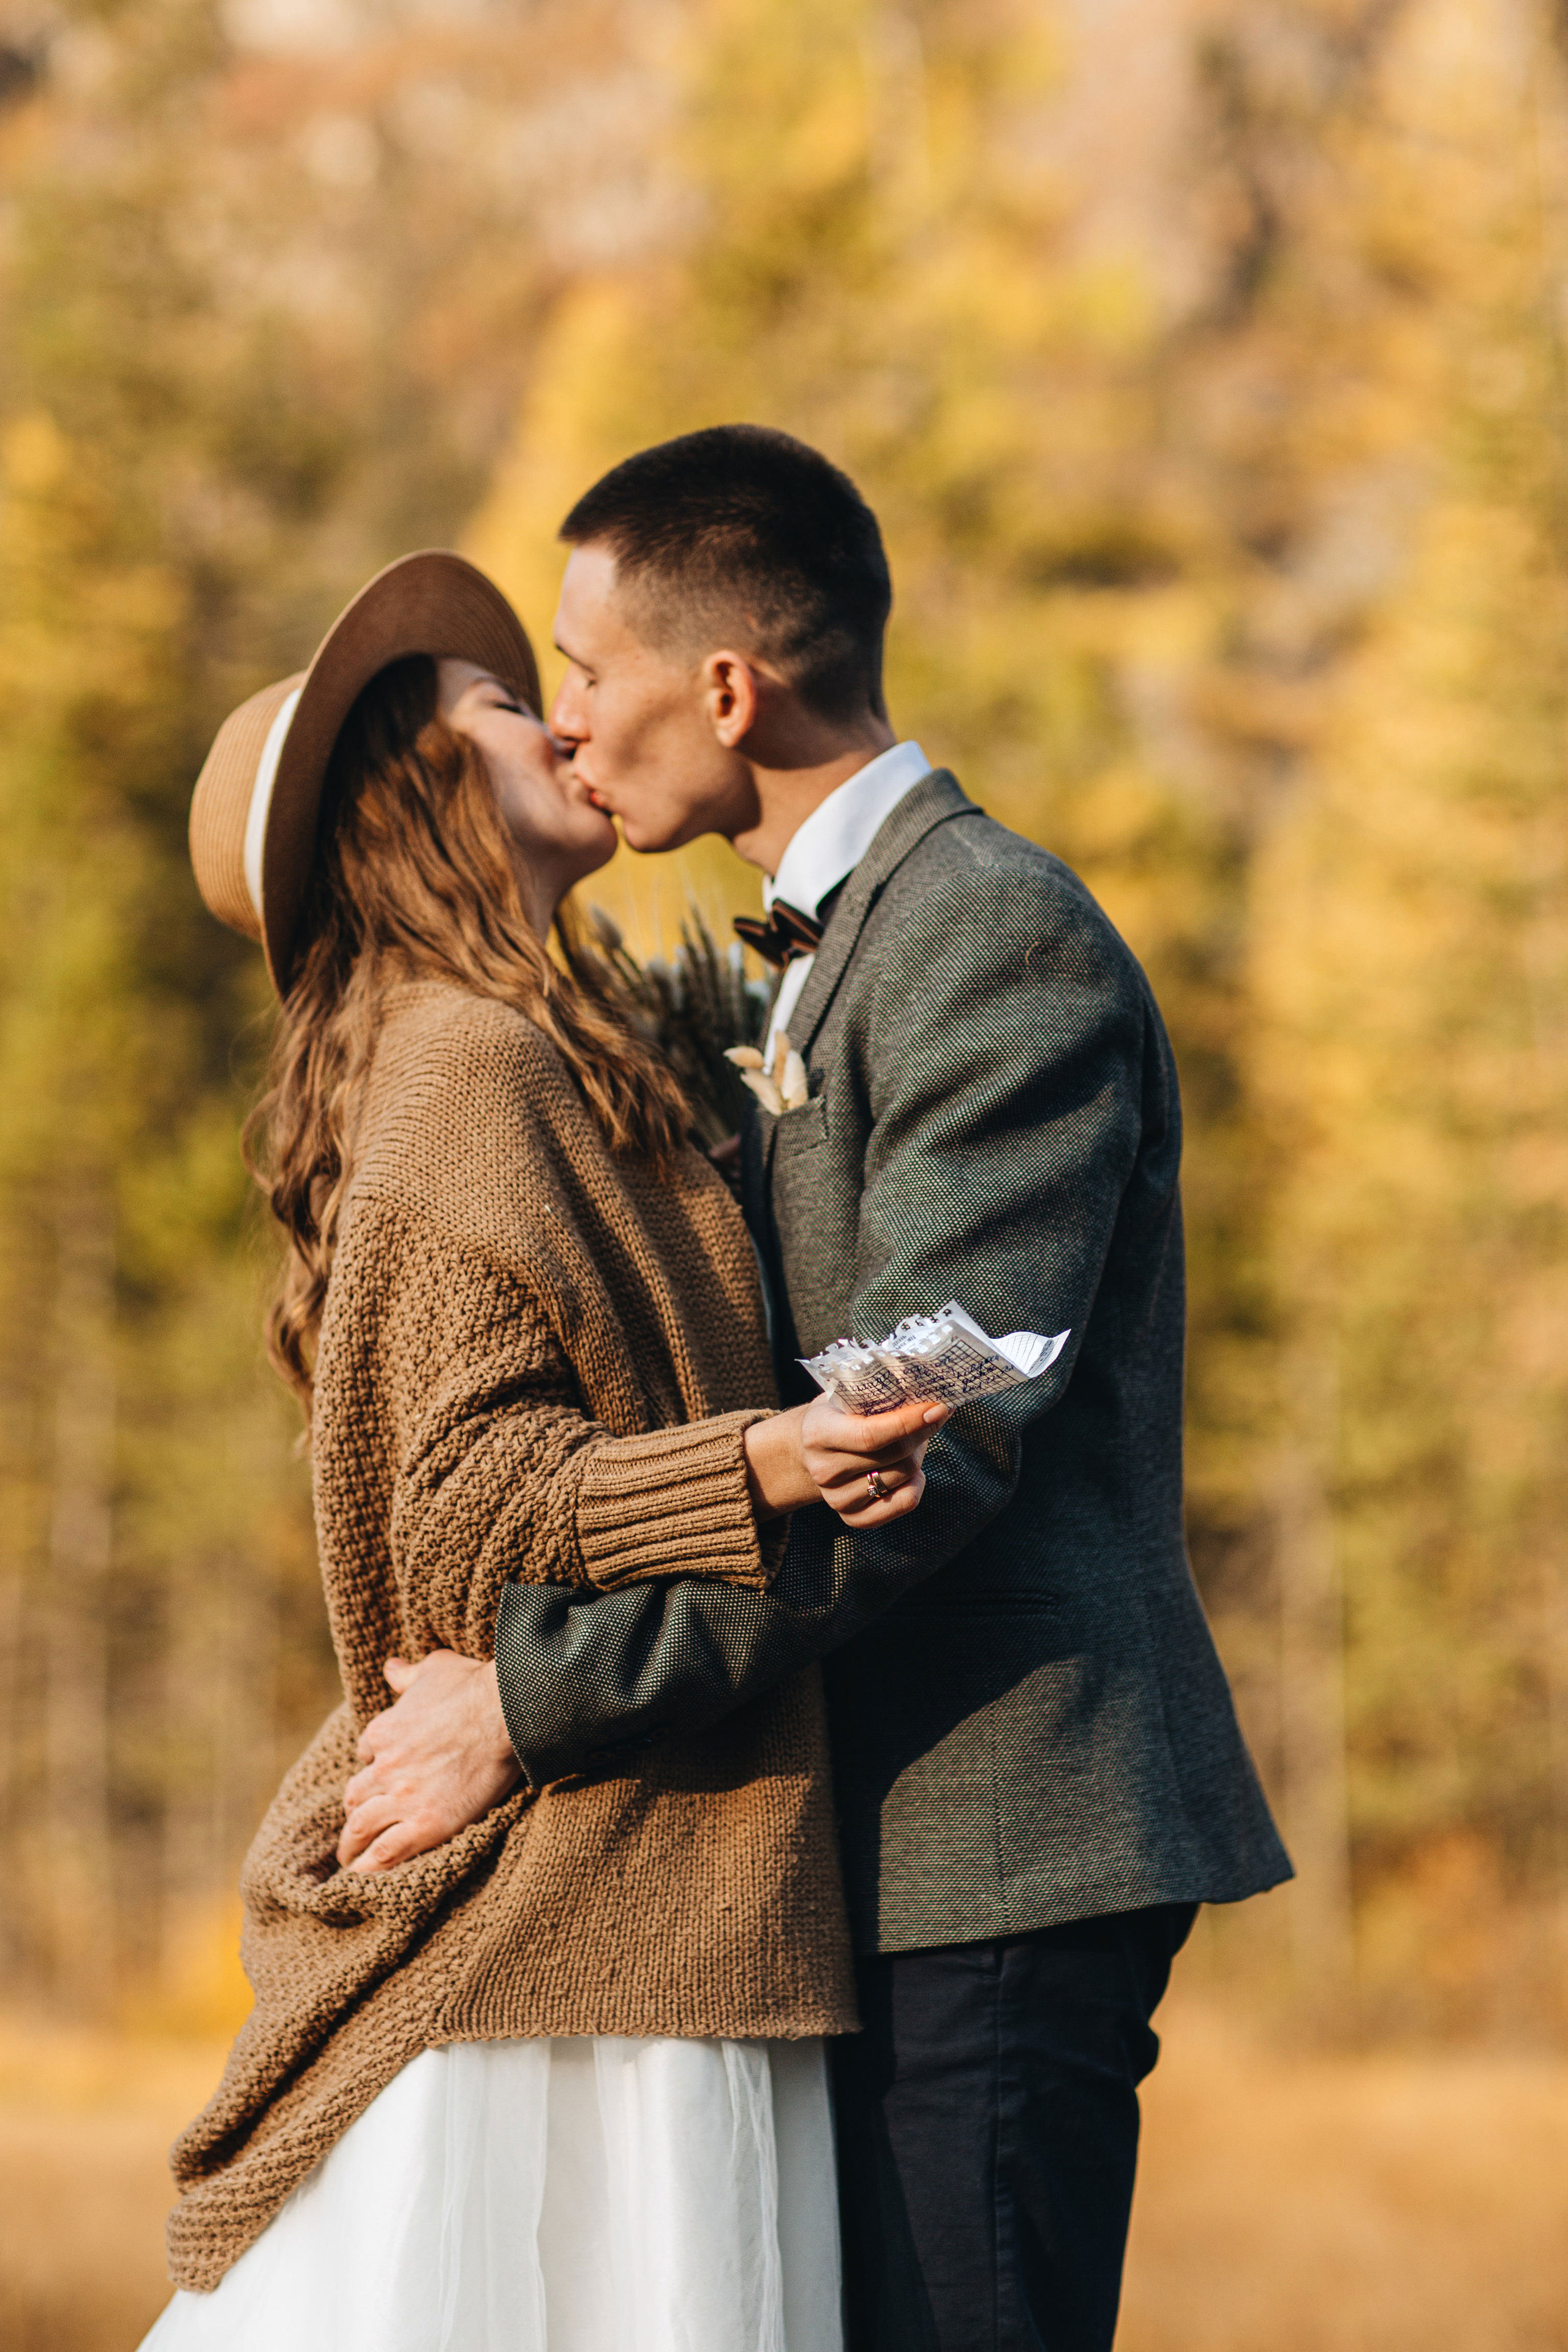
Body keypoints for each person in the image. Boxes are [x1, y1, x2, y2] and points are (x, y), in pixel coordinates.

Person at [344, 431, 1295, 2352]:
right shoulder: (813, 946)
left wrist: (537, 1704)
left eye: (588, 675)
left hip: (997, 1841)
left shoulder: (988, 939)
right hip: (857, 1846)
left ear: (726, 688)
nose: (576, 728)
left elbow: (914, 1463)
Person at [146, 548, 945, 2351]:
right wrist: (762, 1463)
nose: (564, 716)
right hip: (585, 1948)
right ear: (421, 794)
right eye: (509, 706)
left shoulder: (560, 1059)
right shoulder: (464, 1068)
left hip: (665, 1890)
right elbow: (463, 1520)